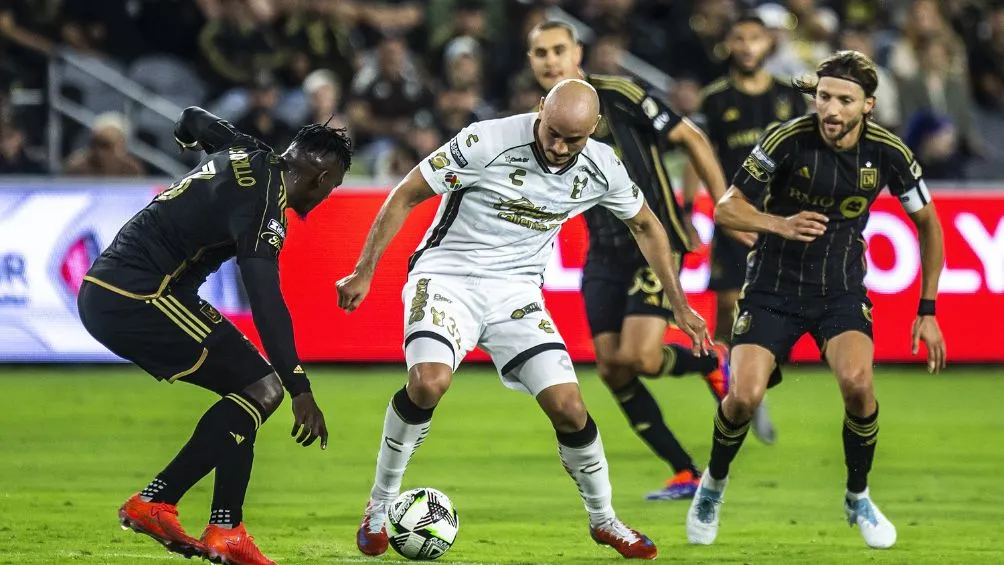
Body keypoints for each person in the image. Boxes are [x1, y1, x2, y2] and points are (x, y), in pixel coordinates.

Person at [338, 79, 711, 560]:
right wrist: (364, 270)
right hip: (447, 276)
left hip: (516, 293)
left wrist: (679, 303)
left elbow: (646, 224)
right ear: (540, 109)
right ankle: (379, 504)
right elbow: (406, 193)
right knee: (428, 383)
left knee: (570, 408)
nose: (559, 147)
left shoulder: (602, 166)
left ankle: (604, 520)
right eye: (552, 132)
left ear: (595, 129)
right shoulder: (485, 141)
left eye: (573, 139)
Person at [685, 51, 947, 550]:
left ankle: (858, 495)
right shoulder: (787, 139)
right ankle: (713, 485)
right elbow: (726, 208)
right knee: (743, 398)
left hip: (839, 290)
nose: (831, 109)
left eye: (844, 100)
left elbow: (929, 224)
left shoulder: (888, 152)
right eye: (824, 96)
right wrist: (779, 223)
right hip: (772, 288)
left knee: (858, 385)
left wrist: (928, 309)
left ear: (867, 105)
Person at [77, 106, 352, 565]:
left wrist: (187, 138)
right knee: (264, 388)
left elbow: (192, 117)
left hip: (123, 288)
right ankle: (156, 502)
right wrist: (299, 387)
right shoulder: (265, 207)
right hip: (138, 295)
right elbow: (266, 301)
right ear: (321, 178)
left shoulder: (247, 150)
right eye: (334, 187)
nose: (328, 196)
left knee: (249, 388)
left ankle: (226, 529)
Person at [526, 20, 729, 501]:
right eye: (540, 53)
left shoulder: (618, 94)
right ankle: (685, 472)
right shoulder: (539, 119)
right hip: (602, 251)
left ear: (578, 52)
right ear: (530, 61)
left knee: (639, 357)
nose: (551, 60)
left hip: (653, 240)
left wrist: (726, 210)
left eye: (558, 49)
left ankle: (712, 361)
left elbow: (692, 138)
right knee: (613, 369)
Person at [684, 13, 809, 444]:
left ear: (767, 43)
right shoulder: (716, 99)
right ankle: (733, 383)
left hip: (779, 218)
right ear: (729, 45)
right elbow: (697, 153)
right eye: (739, 38)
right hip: (735, 216)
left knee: (776, 308)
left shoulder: (787, 97)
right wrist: (688, 210)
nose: (747, 46)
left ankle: (753, 383)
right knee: (726, 306)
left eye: (755, 38)